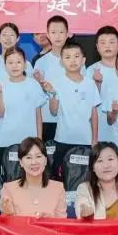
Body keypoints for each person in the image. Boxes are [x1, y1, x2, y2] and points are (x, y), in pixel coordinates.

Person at [0, 22, 33, 200]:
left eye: (11, 34)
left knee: (22, 161)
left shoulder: (27, 64)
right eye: (4, 34)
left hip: (21, 123)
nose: (7, 38)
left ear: (18, 38)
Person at [39, 39, 100, 181]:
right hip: (63, 139)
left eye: (76, 56)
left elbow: (94, 114)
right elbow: (53, 111)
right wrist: (53, 93)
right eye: (67, 57)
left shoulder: (90, 84)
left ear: (83, 60)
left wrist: (95, 139)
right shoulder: (56, 82)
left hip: (85, 140)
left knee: (86, 179)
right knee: (60, 178)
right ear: (61, 62)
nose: (72, 60)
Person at [0, 46, 47, 181]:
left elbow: (38, 116)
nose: (14, 66)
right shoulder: (0, 85)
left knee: (31, 181)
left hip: (30, 144)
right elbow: (0, 114)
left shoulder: (33, 85)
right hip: (6, 141)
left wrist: (39, 140)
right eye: (10, 62)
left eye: (18, 62)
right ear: (5, 65)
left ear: (25, 64)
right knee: (8, 183)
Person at [33, 15, 71, 144]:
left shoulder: (76, 61)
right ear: (48, 35)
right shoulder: (41, 62)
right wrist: (39, 83)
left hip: (70, 118)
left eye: (61, 32)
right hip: (47, 119)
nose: (58, 36)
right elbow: (35, 94)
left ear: (68, 34)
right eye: (53, 32)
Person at [86, 25, 118, 141]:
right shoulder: (91, 70)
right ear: (97, 46)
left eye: (111, 42)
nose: (107, 46)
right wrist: (97, 83)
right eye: (103, 43)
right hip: (100, 129)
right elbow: (88, 102)